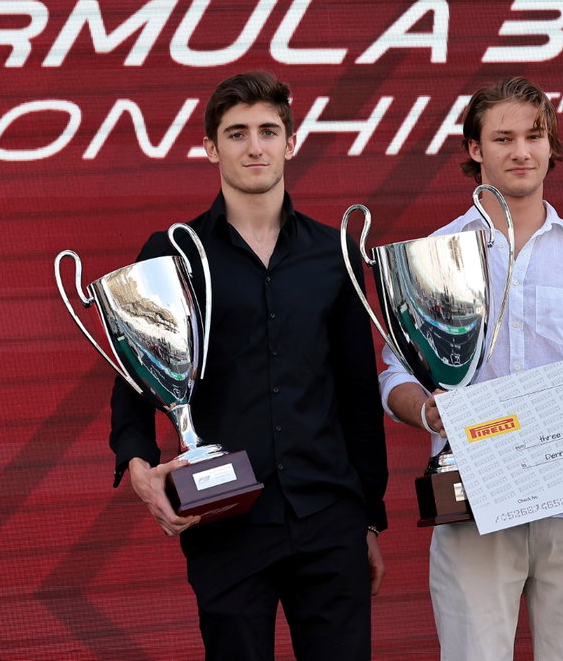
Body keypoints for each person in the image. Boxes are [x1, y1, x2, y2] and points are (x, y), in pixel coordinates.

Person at [109, 70, 389, 661]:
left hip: (328, 515)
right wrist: (136, 465)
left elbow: (358, 392)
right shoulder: (173, 253)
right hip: (225, 519)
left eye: (268, 130)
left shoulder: (334, 252)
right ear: (211, 147)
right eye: (237, 133)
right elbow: (136, 379)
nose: (254, 146)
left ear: (291, 142)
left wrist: (368, 518)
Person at [379, 77, 563, 661]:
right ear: (475, 150)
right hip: (474, 497)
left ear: (550, 146)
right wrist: (428, 410)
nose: (521, 151)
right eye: (503, 138)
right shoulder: (433, 255)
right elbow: (395, 374)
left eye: (534, 136)